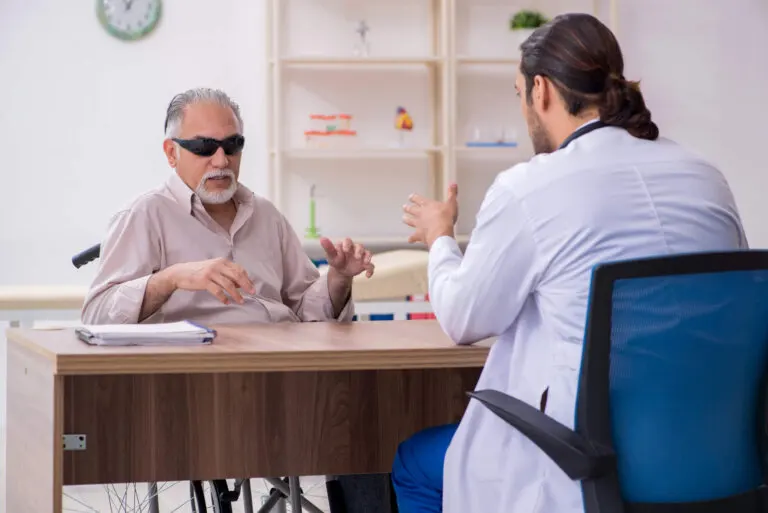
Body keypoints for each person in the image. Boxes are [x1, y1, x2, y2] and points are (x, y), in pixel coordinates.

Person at [393, 13, 747, 513]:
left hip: (589, 464)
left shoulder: (531, 187)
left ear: (540, 91)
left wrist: (439, 237)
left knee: (414, 463)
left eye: (518, 93)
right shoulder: (707, 178)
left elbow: (462, 318)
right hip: (717, 458)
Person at [82, 88, 374, 326]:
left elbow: (307, 313)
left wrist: (339, 278)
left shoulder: (266, 215)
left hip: (281, 364)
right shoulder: (143, 215)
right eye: (204, 148)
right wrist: (171, 278)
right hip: (195, 376)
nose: (222, 161)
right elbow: (95, 318)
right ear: (172, 153)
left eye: (232, 145)